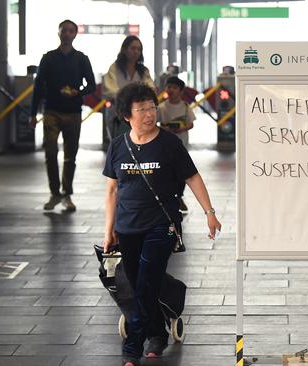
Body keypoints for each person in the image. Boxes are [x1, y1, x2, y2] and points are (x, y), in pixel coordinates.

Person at [103, 82, 221, 366]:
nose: (148, 114)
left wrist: (209, 212)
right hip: (128, 226)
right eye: (141, 109)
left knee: (145, 283)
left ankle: (132, 346)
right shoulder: (119, 146)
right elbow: (112, 190)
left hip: (162, 223)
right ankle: (157, 332)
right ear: (126, 115)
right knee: (137, 281)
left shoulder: (169, 144)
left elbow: (192, 177)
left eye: (151, 107)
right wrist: (109, 230)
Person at [29, 19, 96, 211]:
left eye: (70, 31)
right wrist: (33, 114)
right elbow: (38, 86)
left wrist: (78, 92)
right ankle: (54, 193)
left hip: (73, 111)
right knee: (50, 152)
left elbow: (91, 85)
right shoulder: (48, 58)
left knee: (70, 155)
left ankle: (67, 194)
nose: (67, 34)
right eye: (64, 30)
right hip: (51, 110)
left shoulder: (82, 58)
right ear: (58, 33)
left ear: (75, 34)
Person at [103, 35, 155, 139]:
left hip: (140, 114)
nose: (136, 52)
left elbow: (150, 89)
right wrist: (129, 98)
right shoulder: (114, 68)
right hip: (118, 114)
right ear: (125, 50)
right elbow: (109, 89)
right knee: (120, 142)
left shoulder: (143, 71)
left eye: (139, 49)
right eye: (132, 48)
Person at [159, 76, 195, 213]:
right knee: (166, 173)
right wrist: (165, 129)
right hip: (164, 146)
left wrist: (181, 129)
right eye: (169, 87)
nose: (171, 90)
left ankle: (179, 196)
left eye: (174, 87)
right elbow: (155, 124)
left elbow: (191, 124)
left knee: (181, 173)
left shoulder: (185, 107)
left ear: (181, 91)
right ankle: (169, 198)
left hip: (182, 145)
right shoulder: (161, 107)